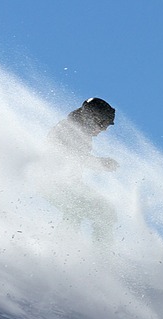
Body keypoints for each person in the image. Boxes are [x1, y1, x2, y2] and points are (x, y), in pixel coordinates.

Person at [45, 98, 119, 245]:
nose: (104, 130)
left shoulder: (81, 132)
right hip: (52, 181)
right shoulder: (68, 128)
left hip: (69, 184)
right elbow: (69, 155)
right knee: (76, 208)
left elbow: (77, 158)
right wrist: (101, 163)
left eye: (106, 126)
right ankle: (62, 246)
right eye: (103, 124)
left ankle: (102, 253)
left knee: (106, 212)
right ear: (92, 118)